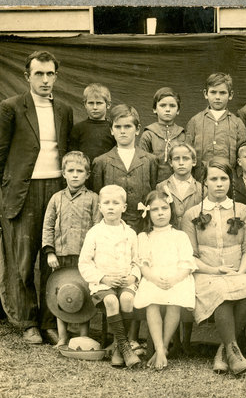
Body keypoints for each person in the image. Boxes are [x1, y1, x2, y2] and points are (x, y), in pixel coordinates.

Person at [0, 49, 74, 345]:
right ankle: (27, 322)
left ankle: (50, 320)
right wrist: (13, 183)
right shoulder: (11, 107)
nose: (45, 80)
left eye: (50, 74)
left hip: (57, 191)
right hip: (24, 192)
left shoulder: (63, 109)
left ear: (56, 77)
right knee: (23, 262)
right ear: (28, 76)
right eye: (39, 74)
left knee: (52, 258)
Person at [182, 159, 246, 375]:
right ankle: (234, 353)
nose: (219, 183)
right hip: (206, 273)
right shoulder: (191, 214)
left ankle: (224, 350)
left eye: (223, 178)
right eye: (213, 179)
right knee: (221, 292)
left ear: (230, 181)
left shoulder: (242, 210)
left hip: (238, 271)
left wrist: (240, 272)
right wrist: (215, 270)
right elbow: (191, 256)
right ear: (205, 182)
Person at [41, 151, 101, 347]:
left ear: (87, 174)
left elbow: (98, 225)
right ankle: (63, 336)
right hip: (60, 255)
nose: (75, 175)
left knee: (82, 292)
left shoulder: (93, 199)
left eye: (80, 171)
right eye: (71, 171)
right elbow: (47, 226)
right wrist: (50, 251)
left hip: (84, 256)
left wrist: (94, 255)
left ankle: (83, 335)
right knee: (61, 292)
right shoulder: (56, 198)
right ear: (63, 173)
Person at [78, 185, 141, 368]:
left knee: (127, 298)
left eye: (116, 203)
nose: (111, 207)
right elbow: (84, 262)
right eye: (106, 203)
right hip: (103, 283)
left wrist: (133, 277)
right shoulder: (95, 233)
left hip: (124, 280)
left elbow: (137, 261)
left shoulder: (129, 233)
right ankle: (124, 347)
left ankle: (117, 347)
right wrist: (103, 278)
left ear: (124, 207)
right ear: (100, 207)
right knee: (112, 301)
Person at [133, 189, 197, 370]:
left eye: (164, 208)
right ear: (147, 213)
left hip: (177, 277)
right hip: (153, 277)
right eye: (155, 210)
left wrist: (175, 279)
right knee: (152, 302)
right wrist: (154, 278)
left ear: (171, 210)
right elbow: (143, 265)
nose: (160, 213)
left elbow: (187, 263)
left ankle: (164, 345)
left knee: (174, 302)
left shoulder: (179, 236)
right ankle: (160, 348)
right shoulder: (144, 237)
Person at [91, 104, 162, 230]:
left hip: (142, 226)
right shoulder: (101, 162)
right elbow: (98, 197)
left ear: (137, 129)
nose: (122, 131)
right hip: (112, 227)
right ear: (111, 130)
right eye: (118, 127)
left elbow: (152, 194)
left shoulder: (150, 160)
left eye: (128, 126)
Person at [185, 72, 246, 172]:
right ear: (206, 94)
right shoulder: (195, 121)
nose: (217, 97)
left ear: (230, 95)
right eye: (213, 92)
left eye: (222, 93)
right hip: (200, 178)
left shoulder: (237, 123)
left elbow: (242, 156)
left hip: (227, 178)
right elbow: (187, 153)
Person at [139, 86, 186, 179]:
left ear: (178, 110)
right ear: (155, 109)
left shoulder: (182, 134)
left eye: (172, 106)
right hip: (154, 182)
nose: (167, 109)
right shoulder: (149, 134)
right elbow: (142, 163)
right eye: (162, 105)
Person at [157, 142, 203, 225]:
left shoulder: (202, 189)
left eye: (185, 158)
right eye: (176, 158)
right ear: (171, 162)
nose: (181, 163)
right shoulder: (162, 187)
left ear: (194, 162)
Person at [69, 83, 115, 163]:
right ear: (85, 104)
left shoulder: (113, 128)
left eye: (99, 103)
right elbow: (73, 155)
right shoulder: (78, 128)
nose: (95, 107)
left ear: (108, 105)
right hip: (84, 171)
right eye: (91, 103)